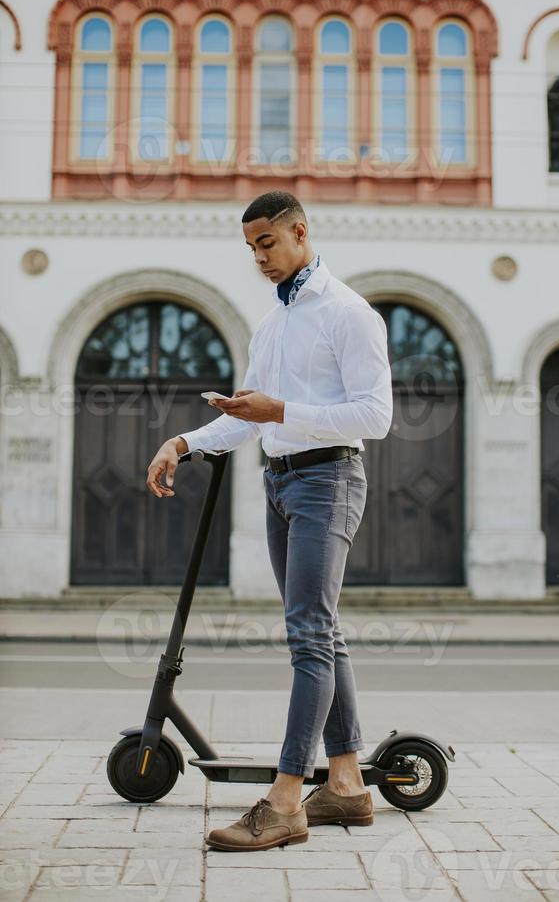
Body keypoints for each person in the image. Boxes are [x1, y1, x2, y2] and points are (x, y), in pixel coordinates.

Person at [145, 190, 393, 851]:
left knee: (308, 637)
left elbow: (376, 416)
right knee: (325, 634)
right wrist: (187, 442)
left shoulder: (349, 314)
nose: (258, 257)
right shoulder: (271, 324)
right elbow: (245, 417)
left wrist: (282, 412)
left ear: (300, 232)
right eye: (250, 248)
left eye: (267, 243)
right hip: (280, 483)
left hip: (329, 479)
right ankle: (343, 786)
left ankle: (285, 802)